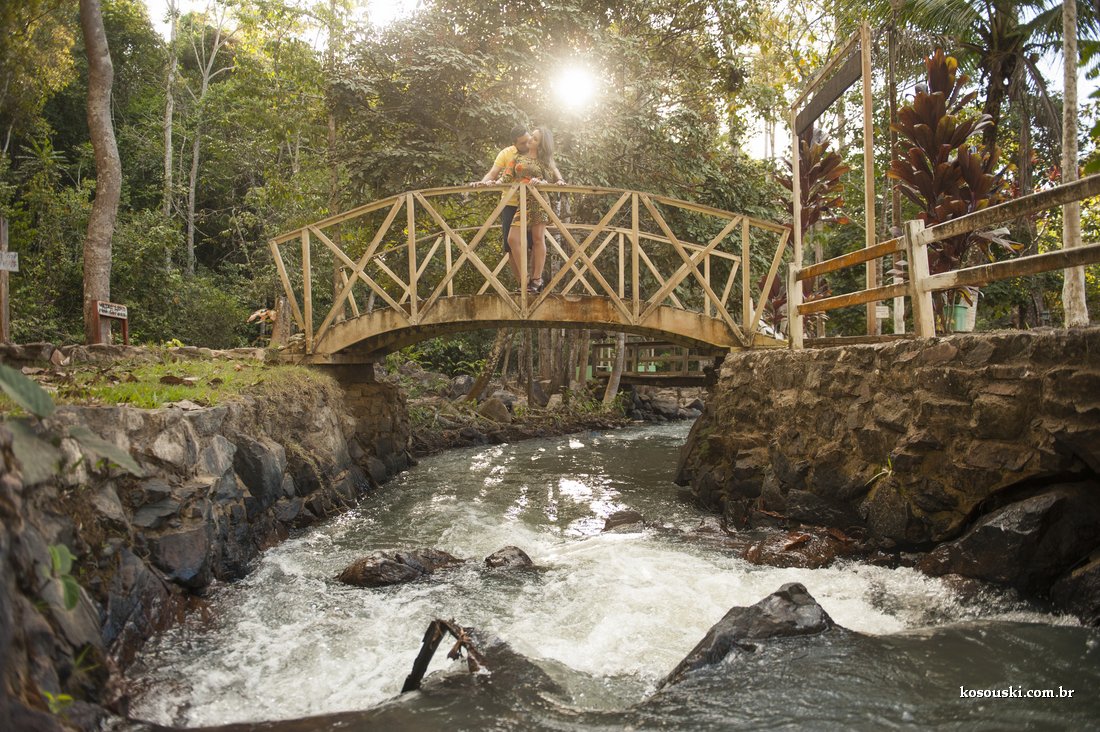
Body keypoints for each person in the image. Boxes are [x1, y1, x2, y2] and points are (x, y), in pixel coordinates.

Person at [496, 126, 565, 293]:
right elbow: (506, 177)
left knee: (537, 239)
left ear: (540, 144)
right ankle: (524, 279)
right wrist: (492, 183)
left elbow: (550, 180)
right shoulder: (517, 157)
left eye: (534, 139)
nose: (529, 140)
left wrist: (543, 182)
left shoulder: (544, 161)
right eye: (531, 136)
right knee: (512, 239)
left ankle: (537, 280)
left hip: (539, 202)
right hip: (523, 203)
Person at [474, 126, 535, 289]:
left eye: (528, 140)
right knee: (510, 246)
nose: (527, 144)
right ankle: (523, 285)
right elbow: (493, 173)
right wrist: (482, 183)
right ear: (514, 144)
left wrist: (559, 180)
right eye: (522, 143)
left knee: (534, 243)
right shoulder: (507, 153)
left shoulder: (536, 150)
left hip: (532, 203)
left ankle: (535, 282)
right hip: (510, 203)